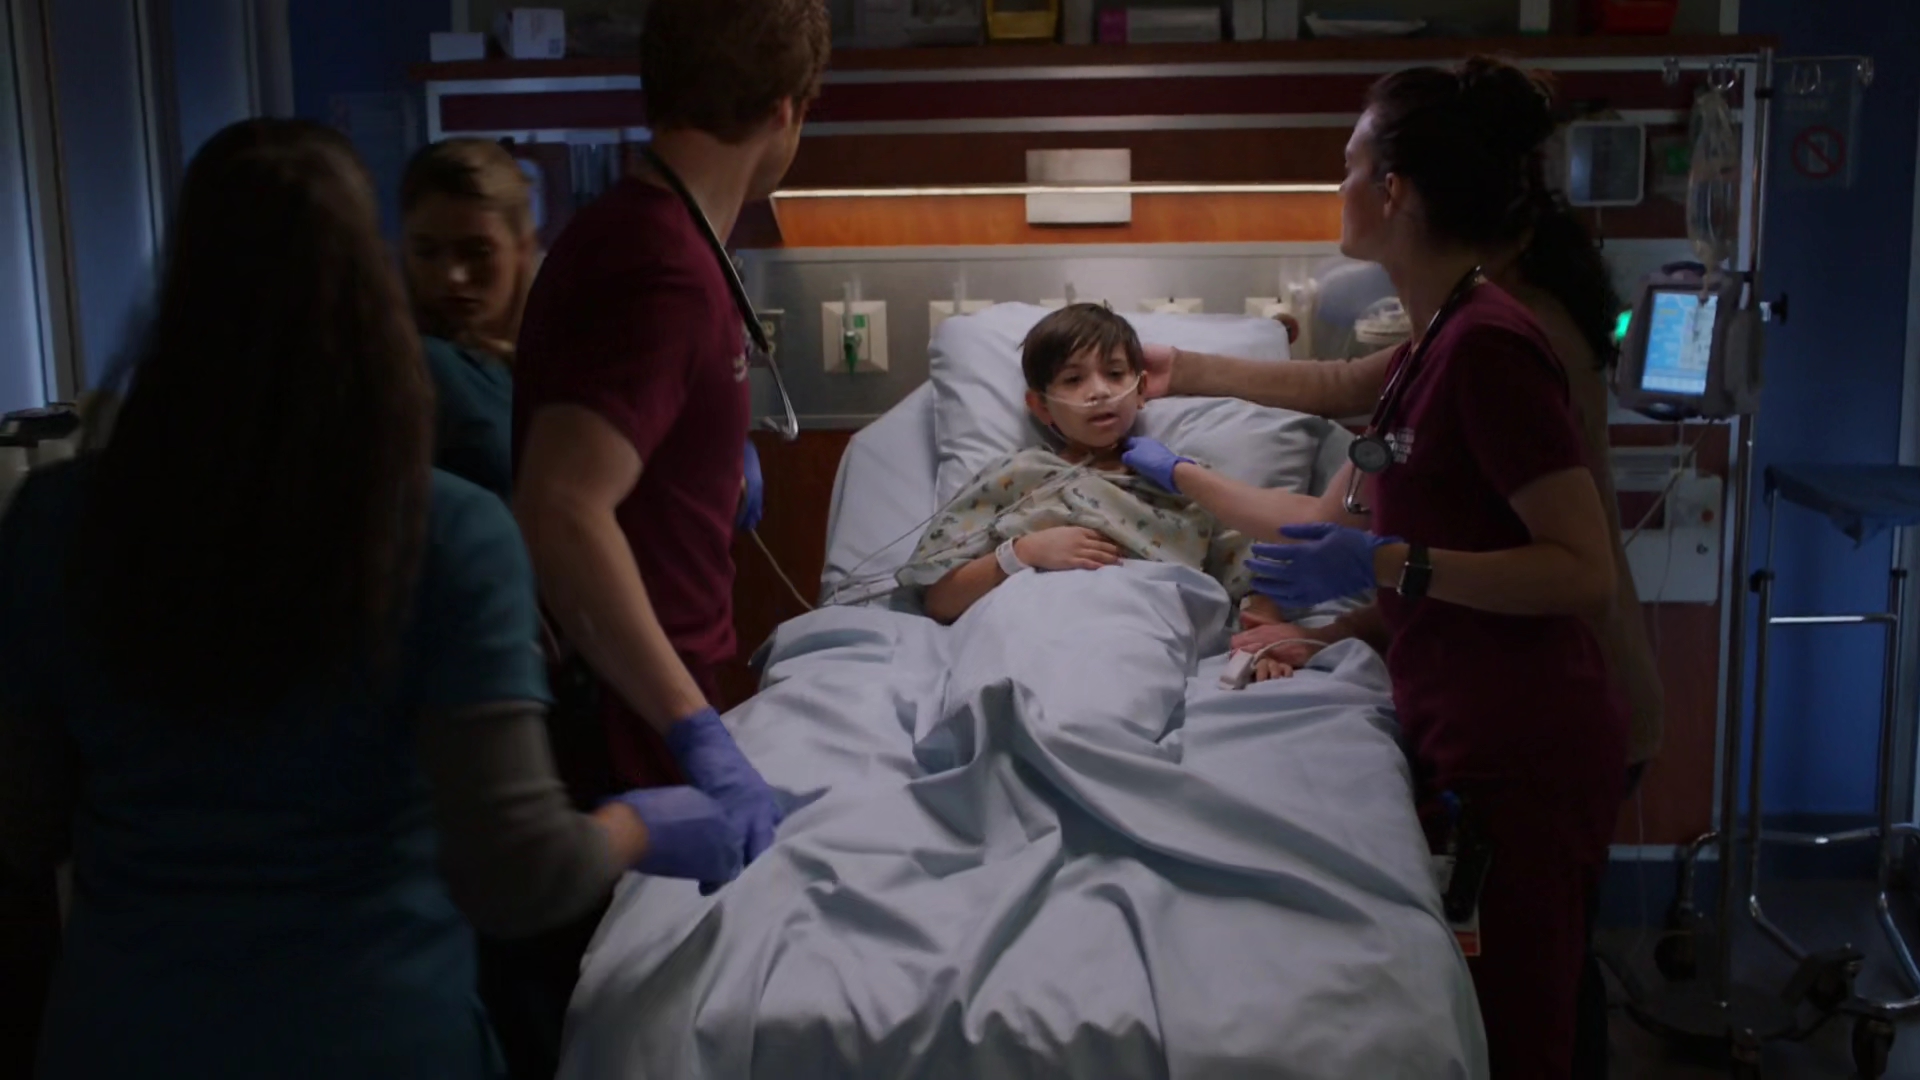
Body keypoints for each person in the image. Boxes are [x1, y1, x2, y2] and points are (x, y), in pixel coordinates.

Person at [0, 119, 743, 1080]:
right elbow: (515, 873)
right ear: (372, 284)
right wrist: (645, 824)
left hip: (127, 1037)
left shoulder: (56, 524)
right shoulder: (447, 538)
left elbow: (23, 825)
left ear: (181, 288)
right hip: (375, 1035)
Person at [1125, 58, 1629, 1077]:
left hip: (1525, 750)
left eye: (1350, 164)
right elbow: (1343, 397)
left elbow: (1582, 571)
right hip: (1465, 730)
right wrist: (1336, 627)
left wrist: (1387, 561)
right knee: (1486, 1022)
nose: (1340, 183)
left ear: (1393, 190)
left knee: (1525, 1041)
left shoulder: (1489, 348)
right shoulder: (1438, 339)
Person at [897, 304, 1253, 625]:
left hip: (1144, 625)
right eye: (1073, 379)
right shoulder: (1016, 477)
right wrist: (1021, 553)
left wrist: (1264, 628)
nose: (1099, 391)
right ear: (1041, 407)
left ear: (1141, 389)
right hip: (1030, 627)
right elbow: (941, 602)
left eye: (1115, 374)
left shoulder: (1189, 482)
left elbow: (1254, 575)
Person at [400, 137, 540, 502]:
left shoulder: (555, 358)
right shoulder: (420, 367)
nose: (453, 276)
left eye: (476, 252)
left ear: (522, 249)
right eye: (427, 252)